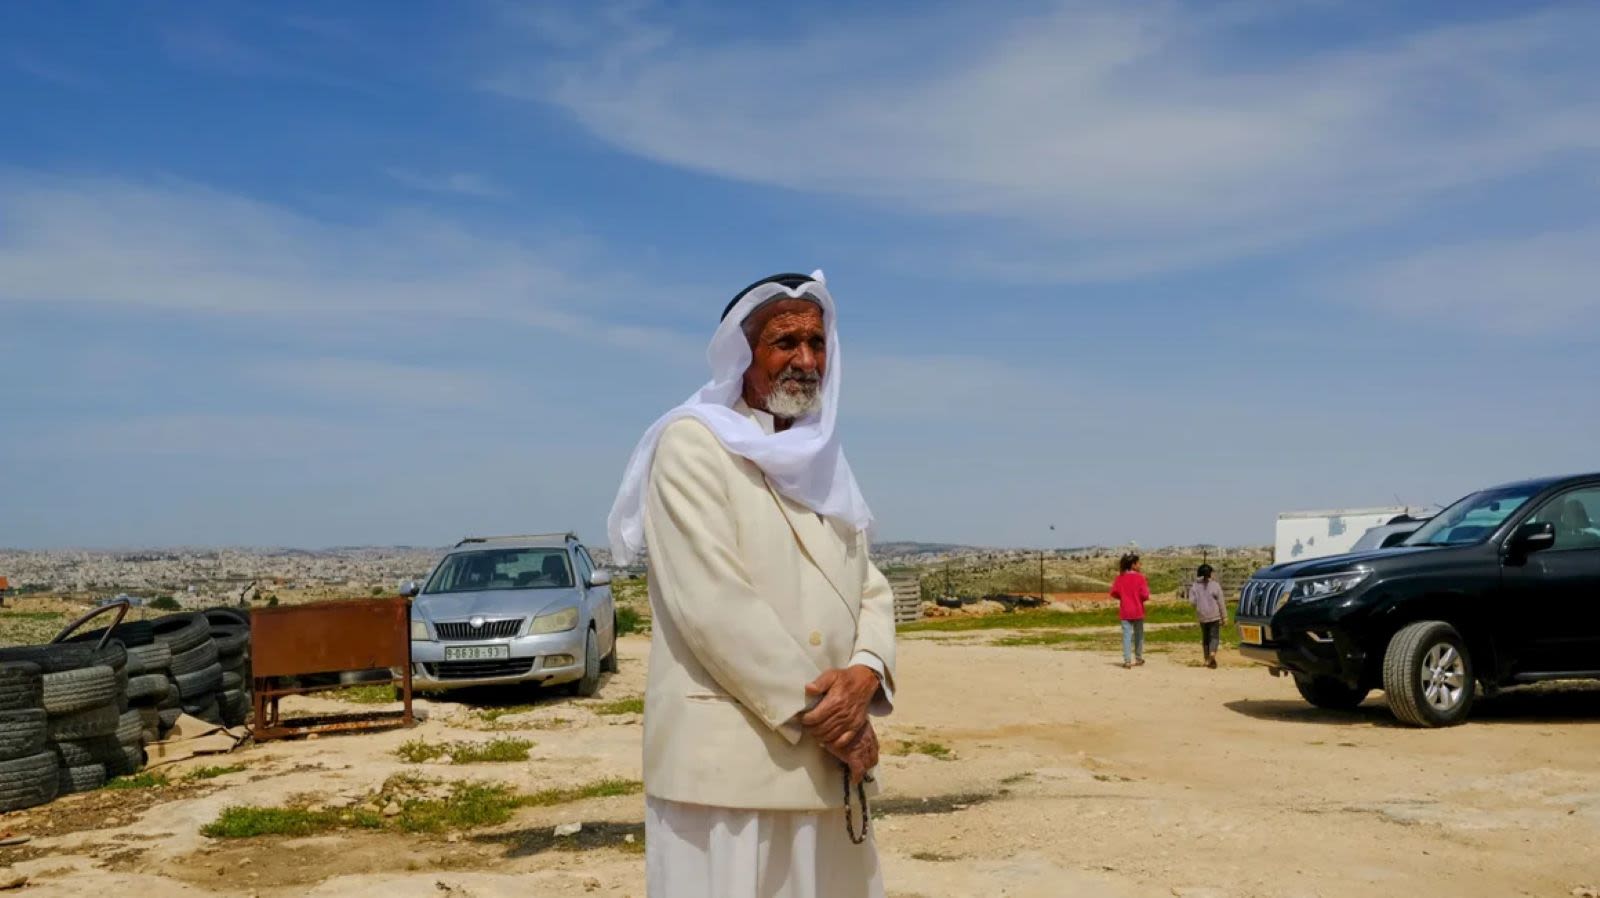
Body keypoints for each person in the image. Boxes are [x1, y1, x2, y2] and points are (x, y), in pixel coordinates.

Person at [608, 271, 897, 898]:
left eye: (817, 343)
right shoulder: (693, 446)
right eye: (784, 342)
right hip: (729, 772)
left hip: (824, 770)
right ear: (744, 354)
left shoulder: (823, 459)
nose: (805, 359)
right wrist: (838, 720)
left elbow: (868, 585)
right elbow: (713, 606)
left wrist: (867, 670)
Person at [1110, 552, 1150, 669]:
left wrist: (1123, 597)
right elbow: (1145, 595)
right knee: (1139, 636)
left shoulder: (1120, 577)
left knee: (1126, 636)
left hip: (1125, 611)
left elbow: (1114, 593)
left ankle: (1127, 661)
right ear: (1133, 565)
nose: (1140, 565)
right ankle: (1138, 658)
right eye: (1138, 563)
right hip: (1138, 610)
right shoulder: (1140, 578)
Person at [1188, 563, 1227, 668]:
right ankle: (1212, 654)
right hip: (1214, 615)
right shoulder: (1215, 585)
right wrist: (1224, 617)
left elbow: (1191, 601)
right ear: (1210, 574)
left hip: (1202, 615)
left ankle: (1207, 659)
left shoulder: (1195, 586)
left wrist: (1199, 604)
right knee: (1214, 636)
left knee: (1205, 637)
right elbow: (1221, 602)